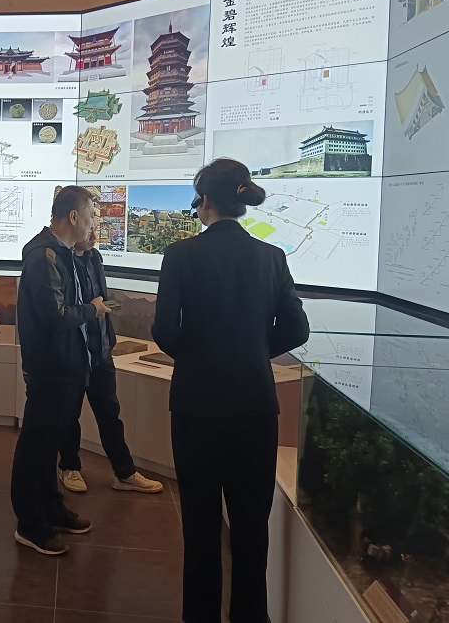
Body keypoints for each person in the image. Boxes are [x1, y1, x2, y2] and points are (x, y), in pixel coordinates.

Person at [150, 158, 310, 623]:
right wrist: (254, 351)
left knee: (200, 527)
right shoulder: (272, 256)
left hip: (196, 405)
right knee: (250, 529)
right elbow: (297, 329)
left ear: (204, 201)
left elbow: (164, 331)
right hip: (254, 406)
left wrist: (199, 354)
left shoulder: (180, 254)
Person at [11, 185, 110, 556]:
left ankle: (51, 508)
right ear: (73, 216)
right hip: (51, 367)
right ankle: (29, 524)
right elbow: (55, 317)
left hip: (67, 365)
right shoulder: (45, 255)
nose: (94, 223)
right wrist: (93, 310)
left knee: (50, 444)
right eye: (91, 216)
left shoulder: (65, 253)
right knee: (36, 446)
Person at [58, 223, 164, 495]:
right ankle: (69, 467)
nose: (94, 235)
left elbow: (100, 298)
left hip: (101, 350)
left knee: (109, 414)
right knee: (69, 415)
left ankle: (124, 473)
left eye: (95, 229)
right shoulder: (61, 260)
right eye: (89, 227)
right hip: (75, 352)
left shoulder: (95, 257)